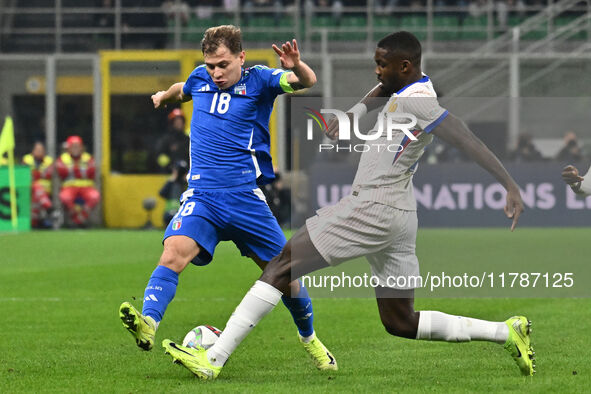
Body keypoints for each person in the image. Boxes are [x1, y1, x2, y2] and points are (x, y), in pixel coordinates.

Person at [161, 31, 535, 380]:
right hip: (400, 216)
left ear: (403, 66)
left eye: (381, 63)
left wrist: (510, 185)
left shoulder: (419, 101)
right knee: (400, 321)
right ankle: (506, 332)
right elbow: (385, 88)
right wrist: (355, 113)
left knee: (280, 266)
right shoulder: (412, 84)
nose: (376, 69)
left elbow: (466, 139)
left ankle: (213, 358)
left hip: (372, 207)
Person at [119, 25, 337, 372]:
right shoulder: (199, 79)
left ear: (241, 57)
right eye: (210, 65)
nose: (216, 73)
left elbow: (305, 81)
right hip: (203, 196)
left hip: (245, 198)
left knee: (287, 278)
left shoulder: (261, 80)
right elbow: (183, 90)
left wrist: (296, 65)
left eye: (223, 64)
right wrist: (163, 95)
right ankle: (149, 322)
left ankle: (309, 338)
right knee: (173, 253)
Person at [56, 136, 100, 227]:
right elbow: (62, 173)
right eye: (73, 146)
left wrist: (74, 170)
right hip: (69, 187)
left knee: (95, 196)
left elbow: (91, 173)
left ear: (81, 147)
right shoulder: (63, 158)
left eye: (77, 146)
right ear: (68, 148)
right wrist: (79, 170)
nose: (75, 148)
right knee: (64, 197)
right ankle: (77, 219)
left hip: (86, 188)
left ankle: (78, 220)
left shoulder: (88, 158)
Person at [22, 142, 53, 228]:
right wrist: (39, 174)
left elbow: (48, 174)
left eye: (41, 150)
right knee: (36, 187)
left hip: (45, 190)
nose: (39, 152)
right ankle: (48, 207)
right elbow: (25, 174)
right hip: (30, 188)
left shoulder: (49, 161)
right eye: (37, 150)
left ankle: (36, 222)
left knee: (36, 199)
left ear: (44, 151)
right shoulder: (26, 159)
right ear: (33, 151)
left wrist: (35, 174)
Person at [155, 108, 190, 173]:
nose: (179, 123)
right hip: (170, 174)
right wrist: (170, 167)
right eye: (176, 121)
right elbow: (159, 156)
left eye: (180, 121)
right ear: (172, 123)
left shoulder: (187, 139)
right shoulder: (166, 140)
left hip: (186, 175)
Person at [159, 160, 189, 226]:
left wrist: (187, 181)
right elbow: (161, 193)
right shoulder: (171, 183)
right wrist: (172, 179)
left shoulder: (186, 184)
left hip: (183, 213)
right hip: (169, 213)